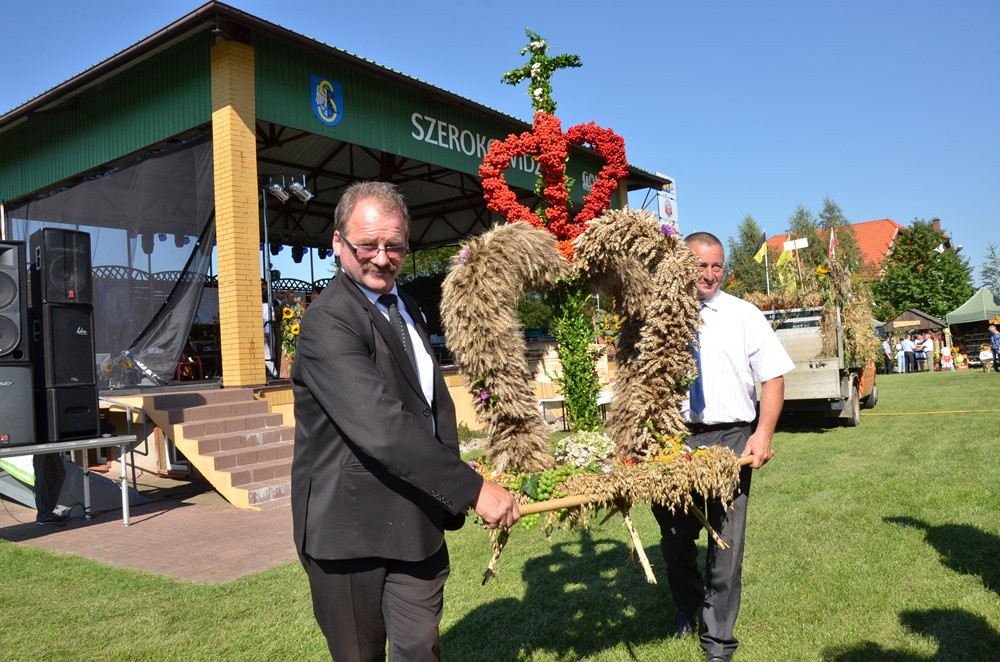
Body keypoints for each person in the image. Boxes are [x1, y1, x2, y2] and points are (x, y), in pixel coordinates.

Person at [290, 181, 520, 661]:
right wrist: (473, 489)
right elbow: (383, 426)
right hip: (349, 534)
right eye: (366, 245)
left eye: (393, 246)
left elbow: (428, 405)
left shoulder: (407, 306)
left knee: (420, 648)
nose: (380, 258)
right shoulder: (326, 322)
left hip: (415, 520)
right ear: (337, 244)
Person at [651, 232, 794, 662]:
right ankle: (687, 605)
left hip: (732, 438)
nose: (709, 275)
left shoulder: (744, 314)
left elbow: (772, 378)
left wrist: (762, 433)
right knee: (676, 537)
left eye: (716, 266)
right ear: (682, 265)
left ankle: (718, 643)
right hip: (674, 440)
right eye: (700, 265)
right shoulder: (658, 315)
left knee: (726, 544)